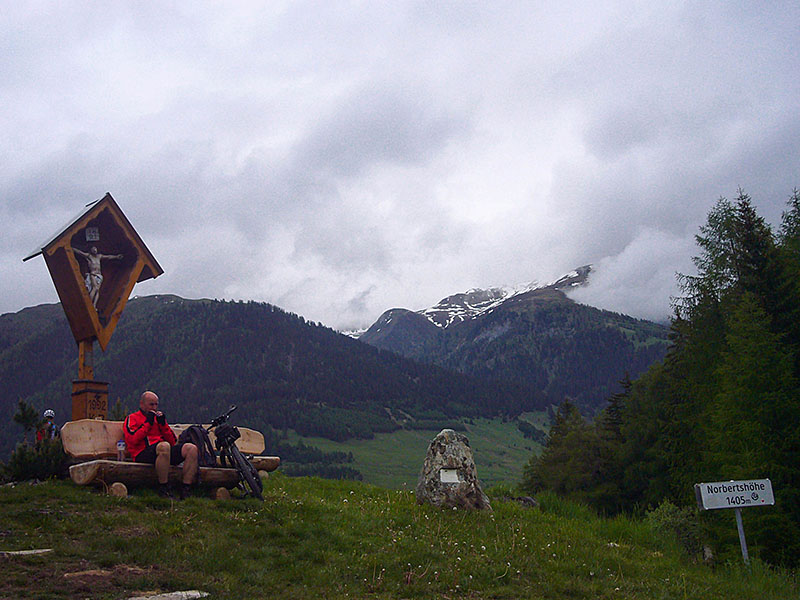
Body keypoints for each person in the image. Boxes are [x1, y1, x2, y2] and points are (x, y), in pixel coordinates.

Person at [123, 391, 198, 499]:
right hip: (142, 453)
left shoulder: (158, 419)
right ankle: (164, 487)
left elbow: (173, 441)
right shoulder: (132, 418)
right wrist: (148, 423)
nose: (154, 408)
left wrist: (163, 425)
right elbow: (133, 440)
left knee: (191, 448)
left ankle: (186, 488)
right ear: (142, 404)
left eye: (156, 404)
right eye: (151, 404)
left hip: (163, 451)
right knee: (164, 446)